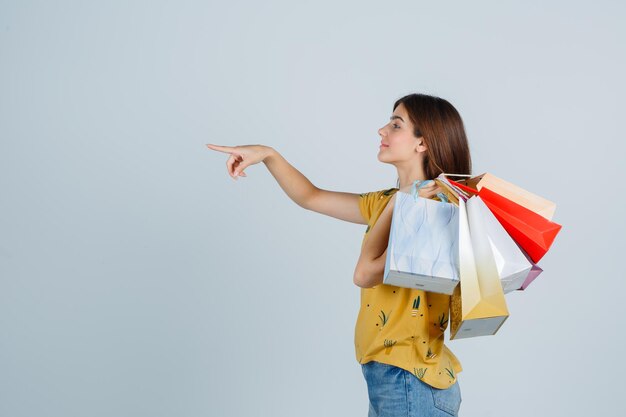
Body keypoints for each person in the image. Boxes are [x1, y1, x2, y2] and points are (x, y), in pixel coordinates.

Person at [206, 92, 472, 417]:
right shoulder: (389, 201)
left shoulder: (434, 208)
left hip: (411, 380)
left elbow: (364, 273)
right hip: (391, 377)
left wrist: (400, 201)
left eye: (396, 124)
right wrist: (268, 155)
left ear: (422, 143)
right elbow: (311, 197)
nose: (382, 131)